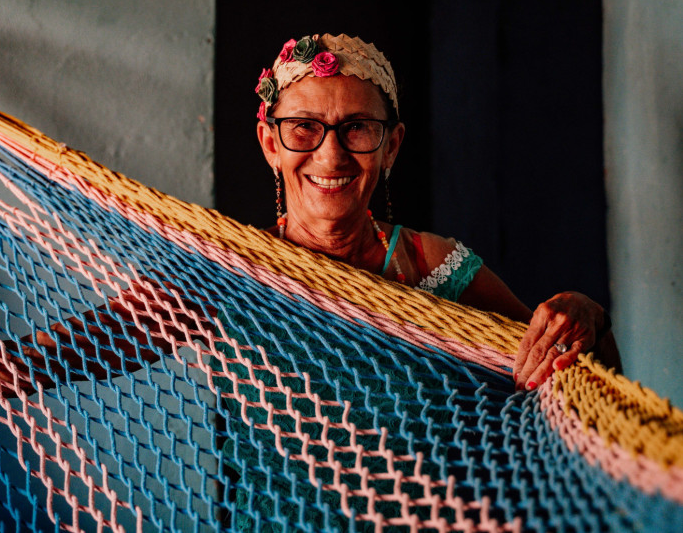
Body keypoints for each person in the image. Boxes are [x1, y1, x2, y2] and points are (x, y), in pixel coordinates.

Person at [253, 33, 620, 389]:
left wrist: (588, 316)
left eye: (358, 127)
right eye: (303, 127)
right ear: (271, 145)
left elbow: (572, 373)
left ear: (391, 147)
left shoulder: (432, 267)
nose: (331, 157)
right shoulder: (237, 270)